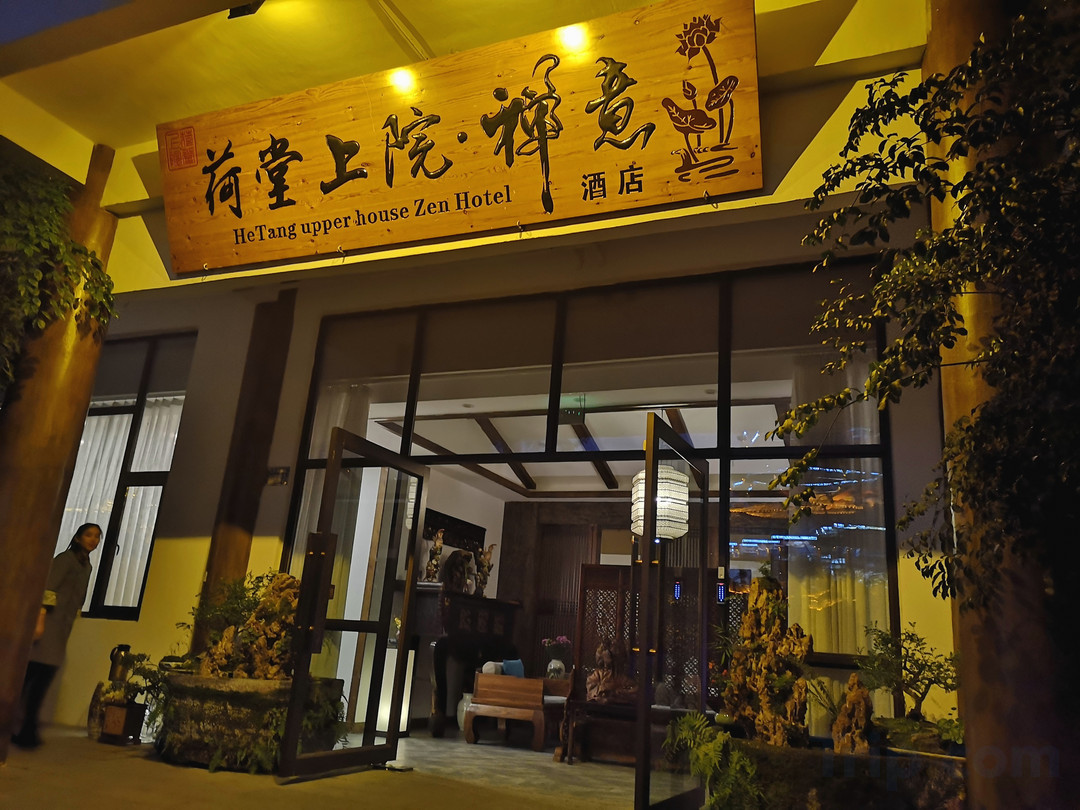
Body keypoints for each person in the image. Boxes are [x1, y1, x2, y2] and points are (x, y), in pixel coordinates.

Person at [12, 522, 101, 749]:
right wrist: (40, 621)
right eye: (89, 535)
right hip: (48, 624)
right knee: (32, 676)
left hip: (62, 627)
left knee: (39, 678)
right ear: (78, 537)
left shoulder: (86, 565)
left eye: (97, 536)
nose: (93, 539)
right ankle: (24, 728)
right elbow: (48, 588)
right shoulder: (65, 559)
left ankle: (27, 729)